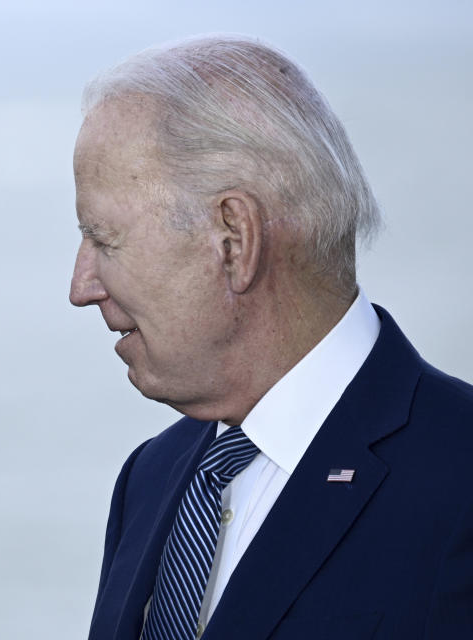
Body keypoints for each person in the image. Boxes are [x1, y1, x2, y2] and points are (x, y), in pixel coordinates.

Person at [69, 36, 473, 640]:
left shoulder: (459, 477)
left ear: (234, 239)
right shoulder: (150, 478)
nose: (81, 286)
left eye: (104, 240)